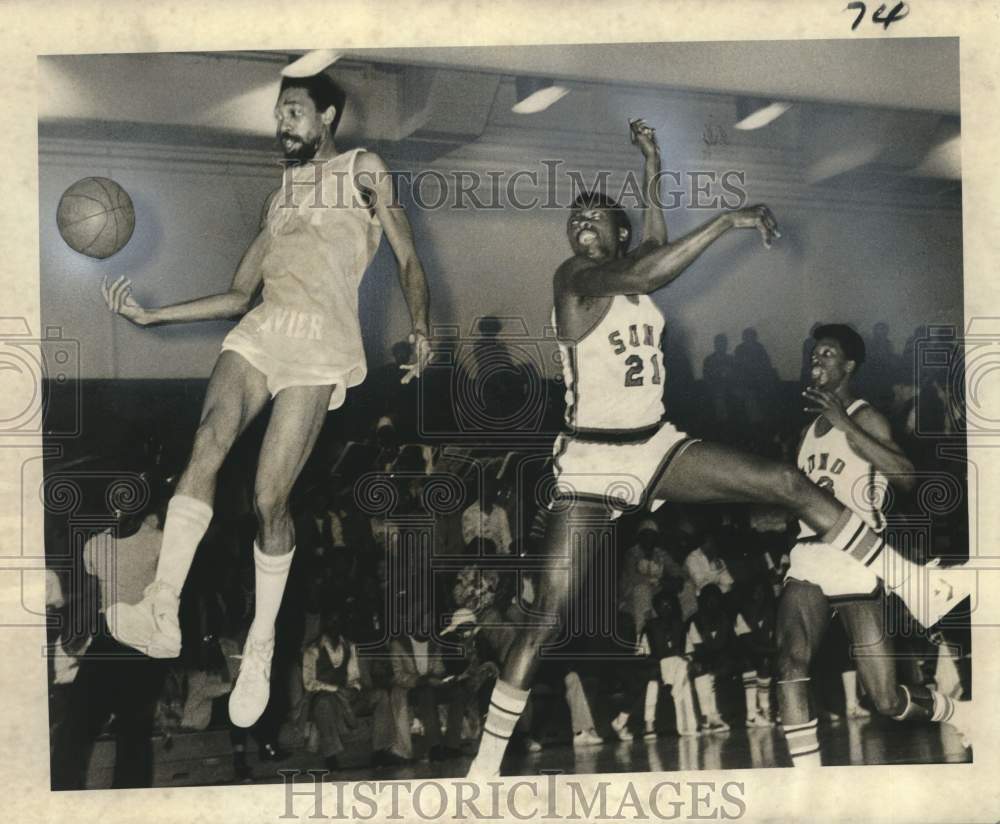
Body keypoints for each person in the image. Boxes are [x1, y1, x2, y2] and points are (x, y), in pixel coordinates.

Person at [466, 118, 969, 777]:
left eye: (595, 220)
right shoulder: (576, 279)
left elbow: (651, 246)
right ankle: (483, 768)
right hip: (592, 464)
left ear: (615, 235)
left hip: (654, 446)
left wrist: (651, 165)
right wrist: (727, 220)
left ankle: (915, 586)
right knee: (546, 620)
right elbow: (649, 263)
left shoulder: (629, 276)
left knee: (788, 484)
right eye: (575, 219)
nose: (581, 226)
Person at [101, 69, 431, 729]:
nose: (282, 123)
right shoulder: (277, 200)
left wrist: (421, 326)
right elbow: (235, 295)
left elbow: (407, 259)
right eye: (278, 113)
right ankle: (162, 608)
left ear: (328, 117)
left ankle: (262, 641)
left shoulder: (366, 169)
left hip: (321, 342)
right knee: (207, 443)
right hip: (263, 329)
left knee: (268, 500)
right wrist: (151, 316)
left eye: (294, 111)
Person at [776, 323, 971, 766]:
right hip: (809, 554)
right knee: (790, 662)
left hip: (857, 556)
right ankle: (807, 785)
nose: (816, 361)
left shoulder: (866, 417)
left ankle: (960, 711)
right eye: (814, 354)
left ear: (849, 366)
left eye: (827, 354)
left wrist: (846, 425)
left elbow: (906, 476)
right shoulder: (807, 431)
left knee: (885, 699)